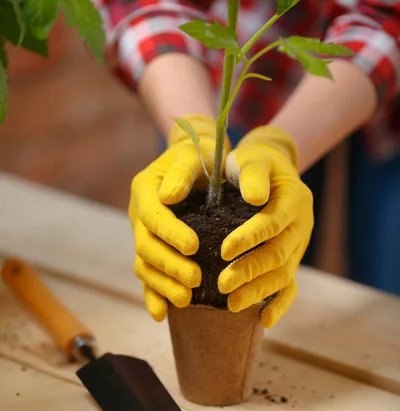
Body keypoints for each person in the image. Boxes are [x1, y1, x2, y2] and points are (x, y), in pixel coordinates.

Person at [93, 0, 400, 326]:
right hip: (261, 72)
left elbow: (388, 18)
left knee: (386, 288)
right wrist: (191, 130)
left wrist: (283, 146)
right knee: (252, 246)